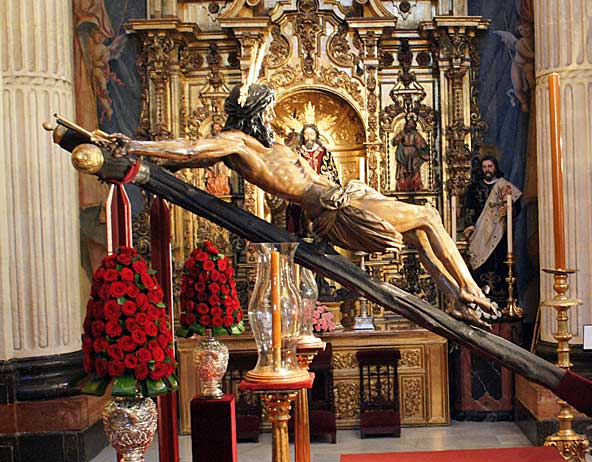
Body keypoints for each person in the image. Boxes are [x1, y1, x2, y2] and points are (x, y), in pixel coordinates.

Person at [110, 83, 497, 325]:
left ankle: (456, 298)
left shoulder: (267, 144)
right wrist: (133, 146)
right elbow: (190, 150)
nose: (270, 116)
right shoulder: (237, 144)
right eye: (265, 110)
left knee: (419, 233)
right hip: (332, 208)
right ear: (252, 113)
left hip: (346, 192)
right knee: (428, 216)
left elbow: (187, 157)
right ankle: (469, 289)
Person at [462, 156, 522, 306]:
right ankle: (480, 299)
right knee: (481, 265)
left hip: (499, 234)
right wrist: (470, 225)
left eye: (490, 166)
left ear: (495, 167)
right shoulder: (474, 188)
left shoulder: (504, 187)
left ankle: (502, 302)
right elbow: (468, 208)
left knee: (499, 263)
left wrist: (508, 209)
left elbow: (516, 207)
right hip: (480, 234)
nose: (487, 170)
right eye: (484, 167)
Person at [392, 115, 430, 192]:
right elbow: (394, 141)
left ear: (413, 126)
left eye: (410, 124)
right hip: (403, 154)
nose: (409, 126)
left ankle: (415, 186)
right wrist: (397, 139)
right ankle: (403, 186)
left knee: (414, 170)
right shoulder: (403, 133)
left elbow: (421, 143)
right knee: (403, 171)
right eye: (408, 124)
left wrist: (423, 147)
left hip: (414, 154)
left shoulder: (415, 134)